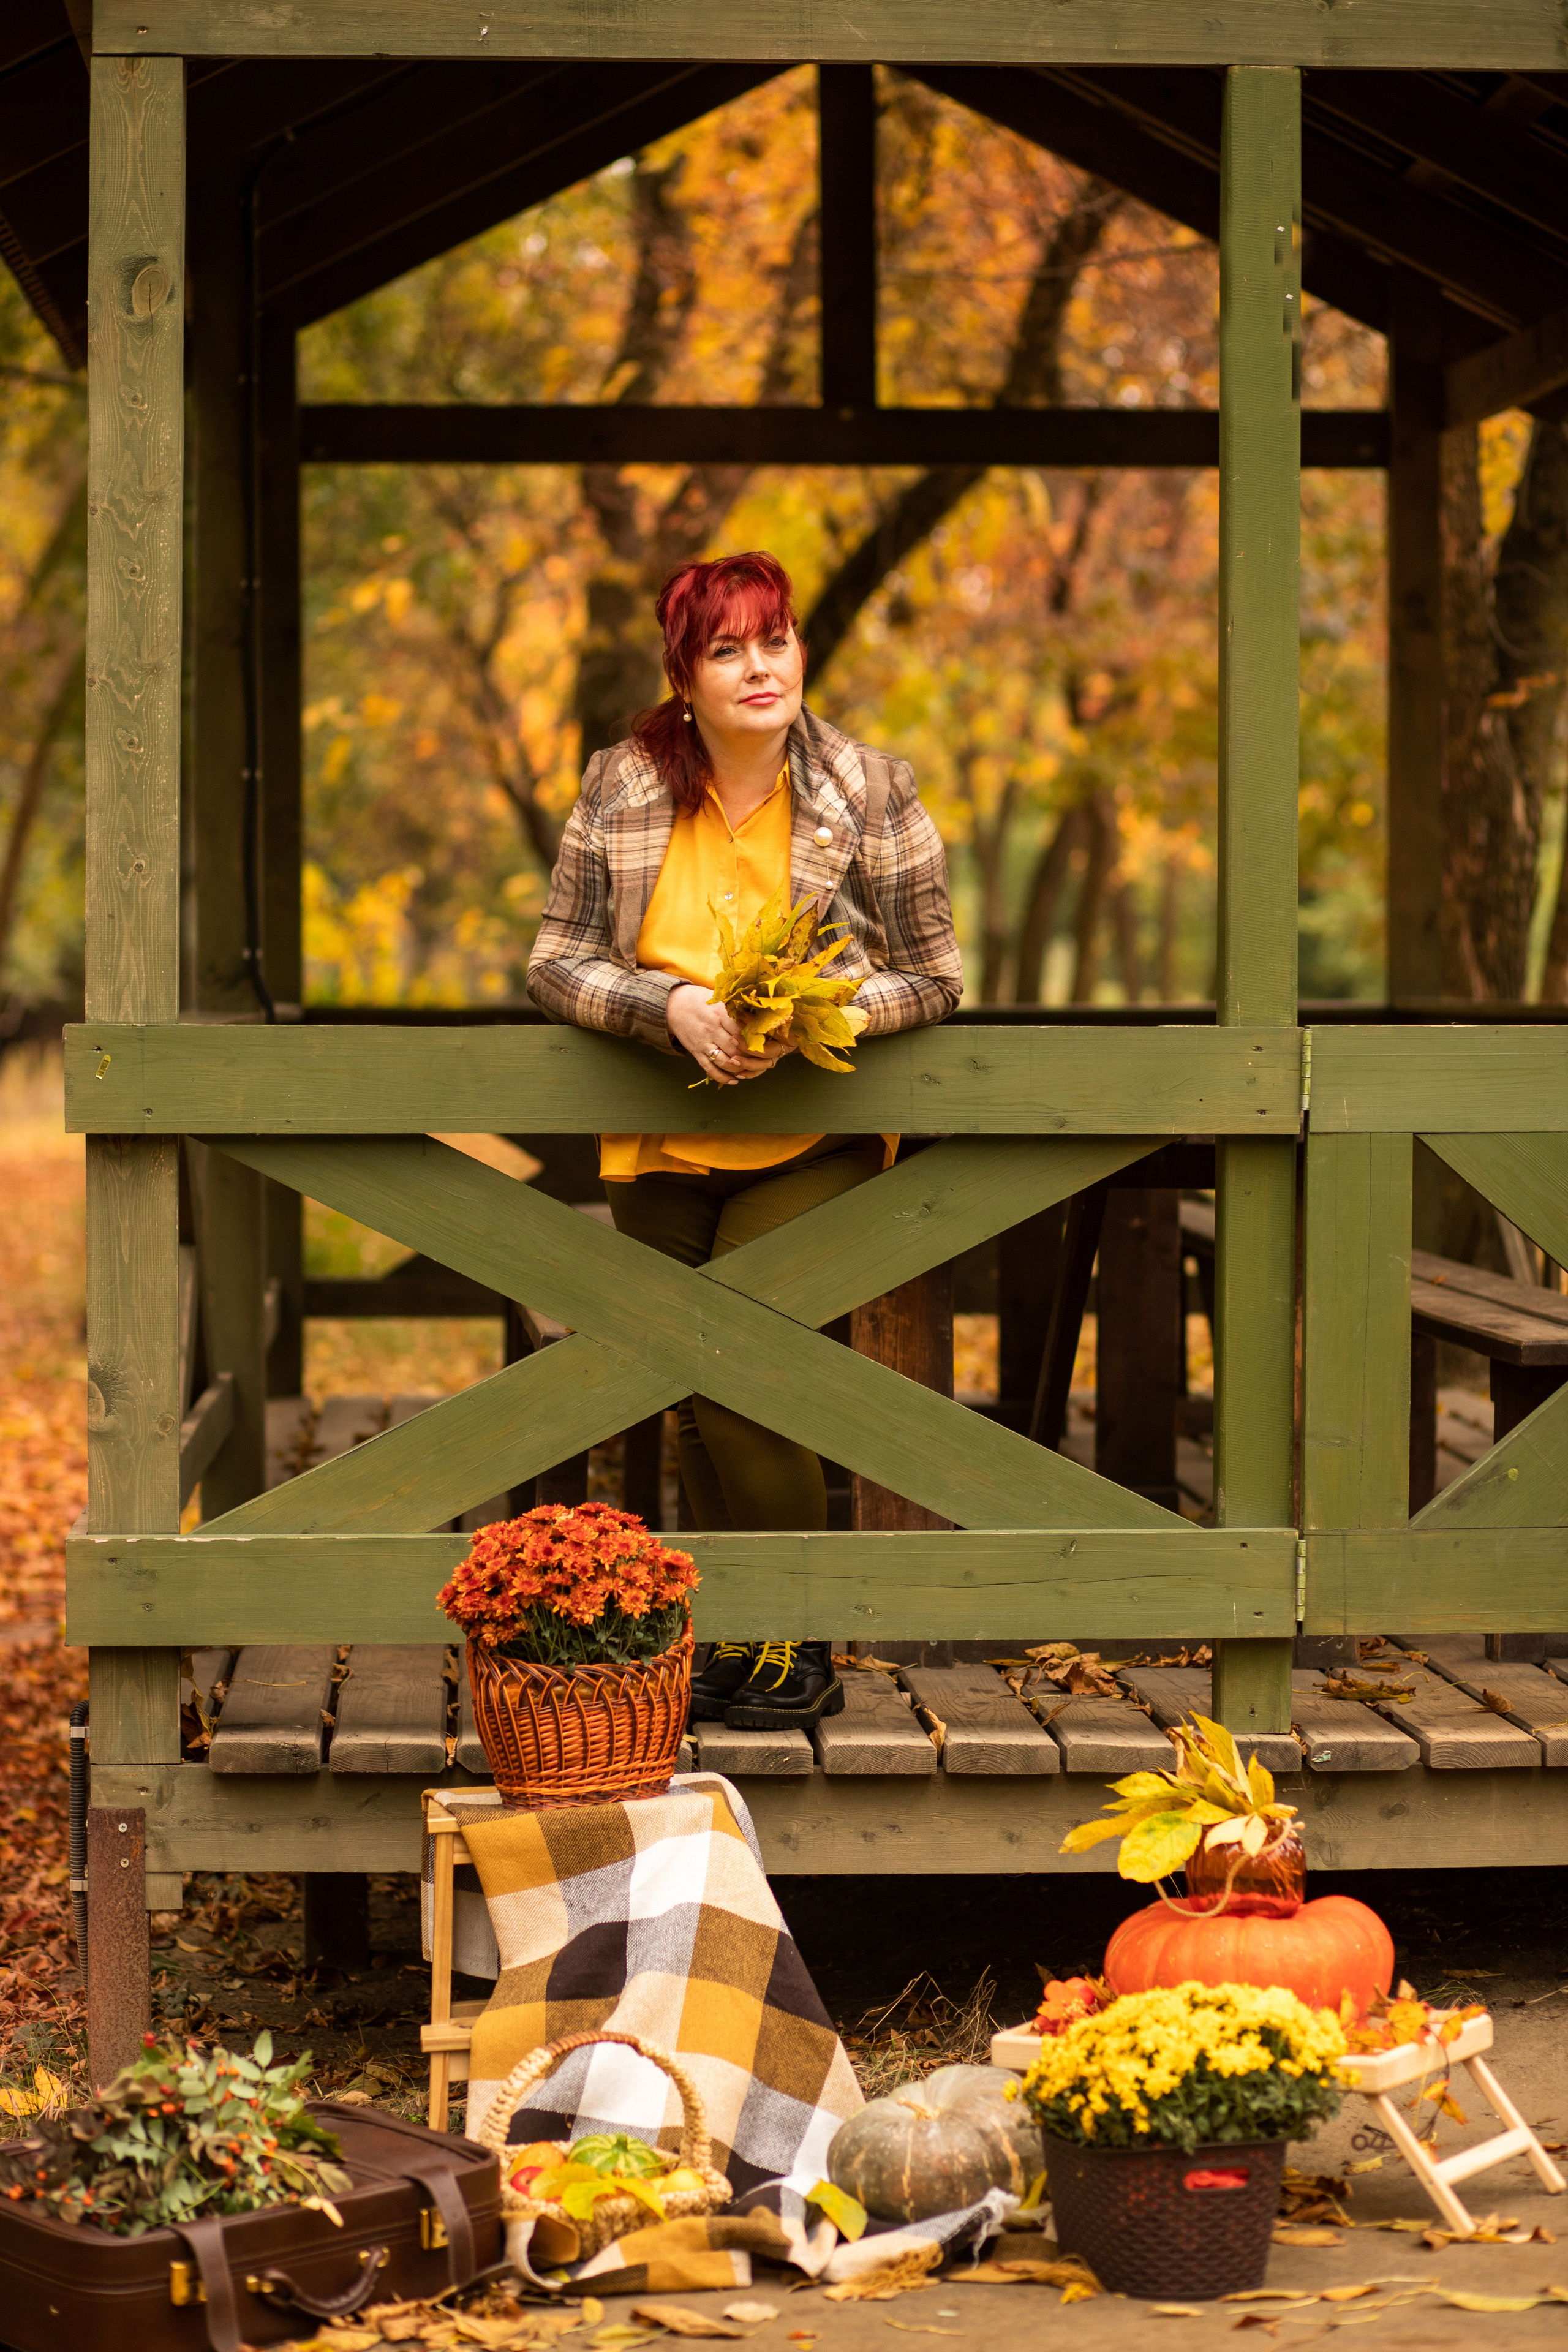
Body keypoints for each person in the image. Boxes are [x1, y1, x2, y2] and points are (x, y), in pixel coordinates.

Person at [528, 551, 961, 1728]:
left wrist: (826, 1014)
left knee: (739, 1368)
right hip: (659, 1133)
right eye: (727, 648)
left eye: (775, 640)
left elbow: (935, 976)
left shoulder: (871, 788)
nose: (759, 665)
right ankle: (728, 1638)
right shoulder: (621, 785)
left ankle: (793, 1636)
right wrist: (663, 1007)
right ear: (685, 673)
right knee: (684, 1387)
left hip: (808, 1133)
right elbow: (555, 958)